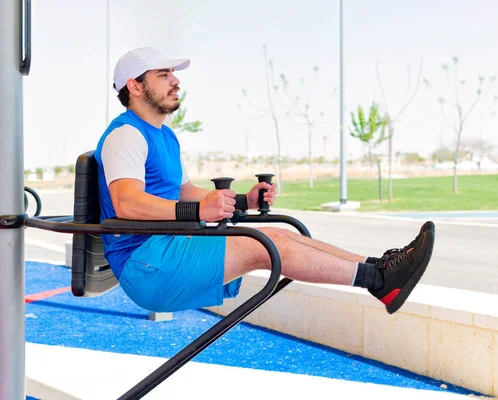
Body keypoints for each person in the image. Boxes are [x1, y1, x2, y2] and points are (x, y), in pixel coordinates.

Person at [95, 47, 435, 316]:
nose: (175, 82)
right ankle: (379, 280)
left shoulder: (165, 136)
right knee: (268, 245)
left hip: (167, 250)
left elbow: (184, 192)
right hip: (148, 266)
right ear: (135, 86)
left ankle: (380, 270)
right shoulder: (126, 135)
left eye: (173, 75)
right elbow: (128, 202)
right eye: (163, 75)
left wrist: (244, 201)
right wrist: (198, 208)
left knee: (281, 237)